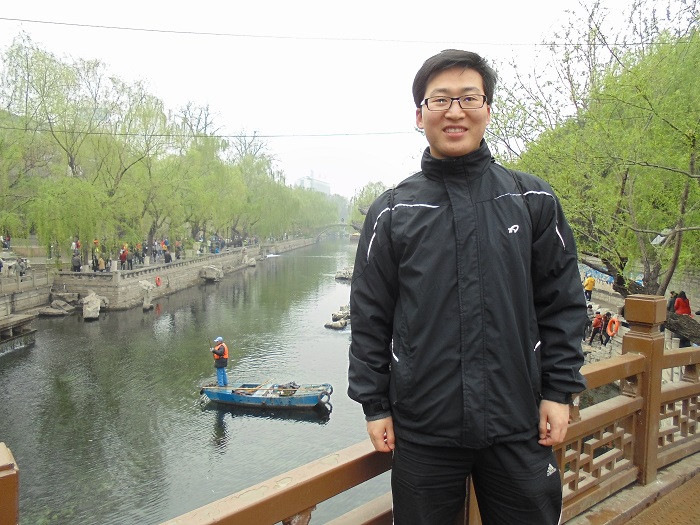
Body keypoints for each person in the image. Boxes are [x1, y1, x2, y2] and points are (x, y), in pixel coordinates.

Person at [348, 49, 587, 525]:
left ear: (488, 109)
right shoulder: (393, 212)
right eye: (440, 100)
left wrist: (559, 392)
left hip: (520, 422)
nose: (454, 112)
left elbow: (562, 304)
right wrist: (375, 406)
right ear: (420, 115)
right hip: (423, 429)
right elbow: (370, 317)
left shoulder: (531, 200)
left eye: (468, 98)